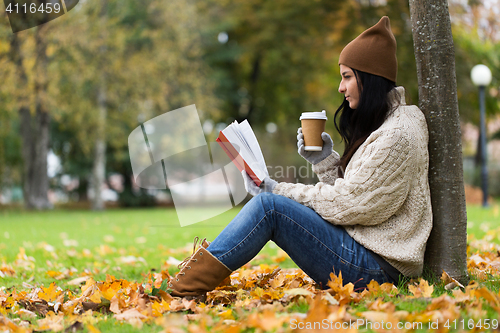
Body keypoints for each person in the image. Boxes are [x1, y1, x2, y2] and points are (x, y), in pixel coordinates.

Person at [168, 16, 432, 298]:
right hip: (368, 254)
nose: (341, 88)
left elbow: (352, 204)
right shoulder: (392, 123)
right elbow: (359, 196)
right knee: (270, 204)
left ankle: (185, 288)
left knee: (269, 206)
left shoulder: (398, 134)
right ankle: (190, 281)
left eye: (347, 77)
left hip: (377, 270)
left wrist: (277, 189)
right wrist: (324, 159)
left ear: (370, 78)